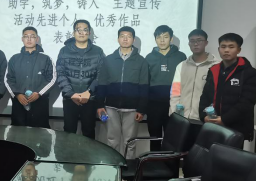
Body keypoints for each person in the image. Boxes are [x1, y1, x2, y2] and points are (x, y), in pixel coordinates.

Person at [96, 27, 148, 159]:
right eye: (122, 36)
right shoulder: (108, 60)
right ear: (118, 39)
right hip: (111, 107)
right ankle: (114, 165)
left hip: (132, 109)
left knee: (129, 142)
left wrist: (141, 109)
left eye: (128, 36)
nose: (125, 39)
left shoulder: (141, 61)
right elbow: (102, 83)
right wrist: (100, 105)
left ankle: (128, 167)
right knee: (112, 140)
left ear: (133, 40)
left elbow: (144, 86)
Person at [199, 33, 256, 141]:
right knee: (210, 151)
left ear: (239, 50)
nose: (226, 50)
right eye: (223, 47)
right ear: (218, 49)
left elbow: (247, 103)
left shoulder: (250, 73)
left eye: (231, 47)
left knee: (231, 152)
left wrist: (224, 119)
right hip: (212, 124)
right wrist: (204, 116)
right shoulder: (213, 70)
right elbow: (205, 96)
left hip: (236, 127)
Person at [56, 19, 105, 139]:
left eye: (85, 30)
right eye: (79, 30)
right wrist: (71, 93)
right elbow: (60, 73)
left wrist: (88, 92)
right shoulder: (64, 51)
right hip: (70, 99)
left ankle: (88, 153)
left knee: (89, 132)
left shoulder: (97, 51)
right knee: (69, 132)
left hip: (89, 99)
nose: (82, 33)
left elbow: (101, 75)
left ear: (89, 33)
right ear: (73, 33)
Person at [5, 27, 56, 129]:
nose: (29, 39)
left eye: (32, 36)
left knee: (40, 133)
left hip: (39, 103)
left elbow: (52, 78)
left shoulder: (46, 58)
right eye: (26, 36)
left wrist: (39, 93)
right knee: (18, 132)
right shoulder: (14, 58)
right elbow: (8, 79)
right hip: (19, 103)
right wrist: (17, 94)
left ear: (37, 39)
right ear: (22, 39)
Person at [146, 25, 187, 150]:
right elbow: (146, 81)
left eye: (165, 37)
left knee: (172, 138)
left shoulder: (181, 57)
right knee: (154, 137)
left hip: (174, 103)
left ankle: (170, 162)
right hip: (154, 104)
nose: (162, 40)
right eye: (159, 37)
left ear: (171, 39)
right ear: (155, 39)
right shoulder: (149, 57)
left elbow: (184, 80)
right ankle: (154, 161)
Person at [170, 29, 220, 120]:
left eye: (199, 40)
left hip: (206, 118)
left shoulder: (216, 66)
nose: (195, 44)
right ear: (189, 43)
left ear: (206, 43)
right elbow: (175, 92)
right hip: (183, 117)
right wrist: (174, 113)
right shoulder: (182, 66)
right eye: (192, 41)